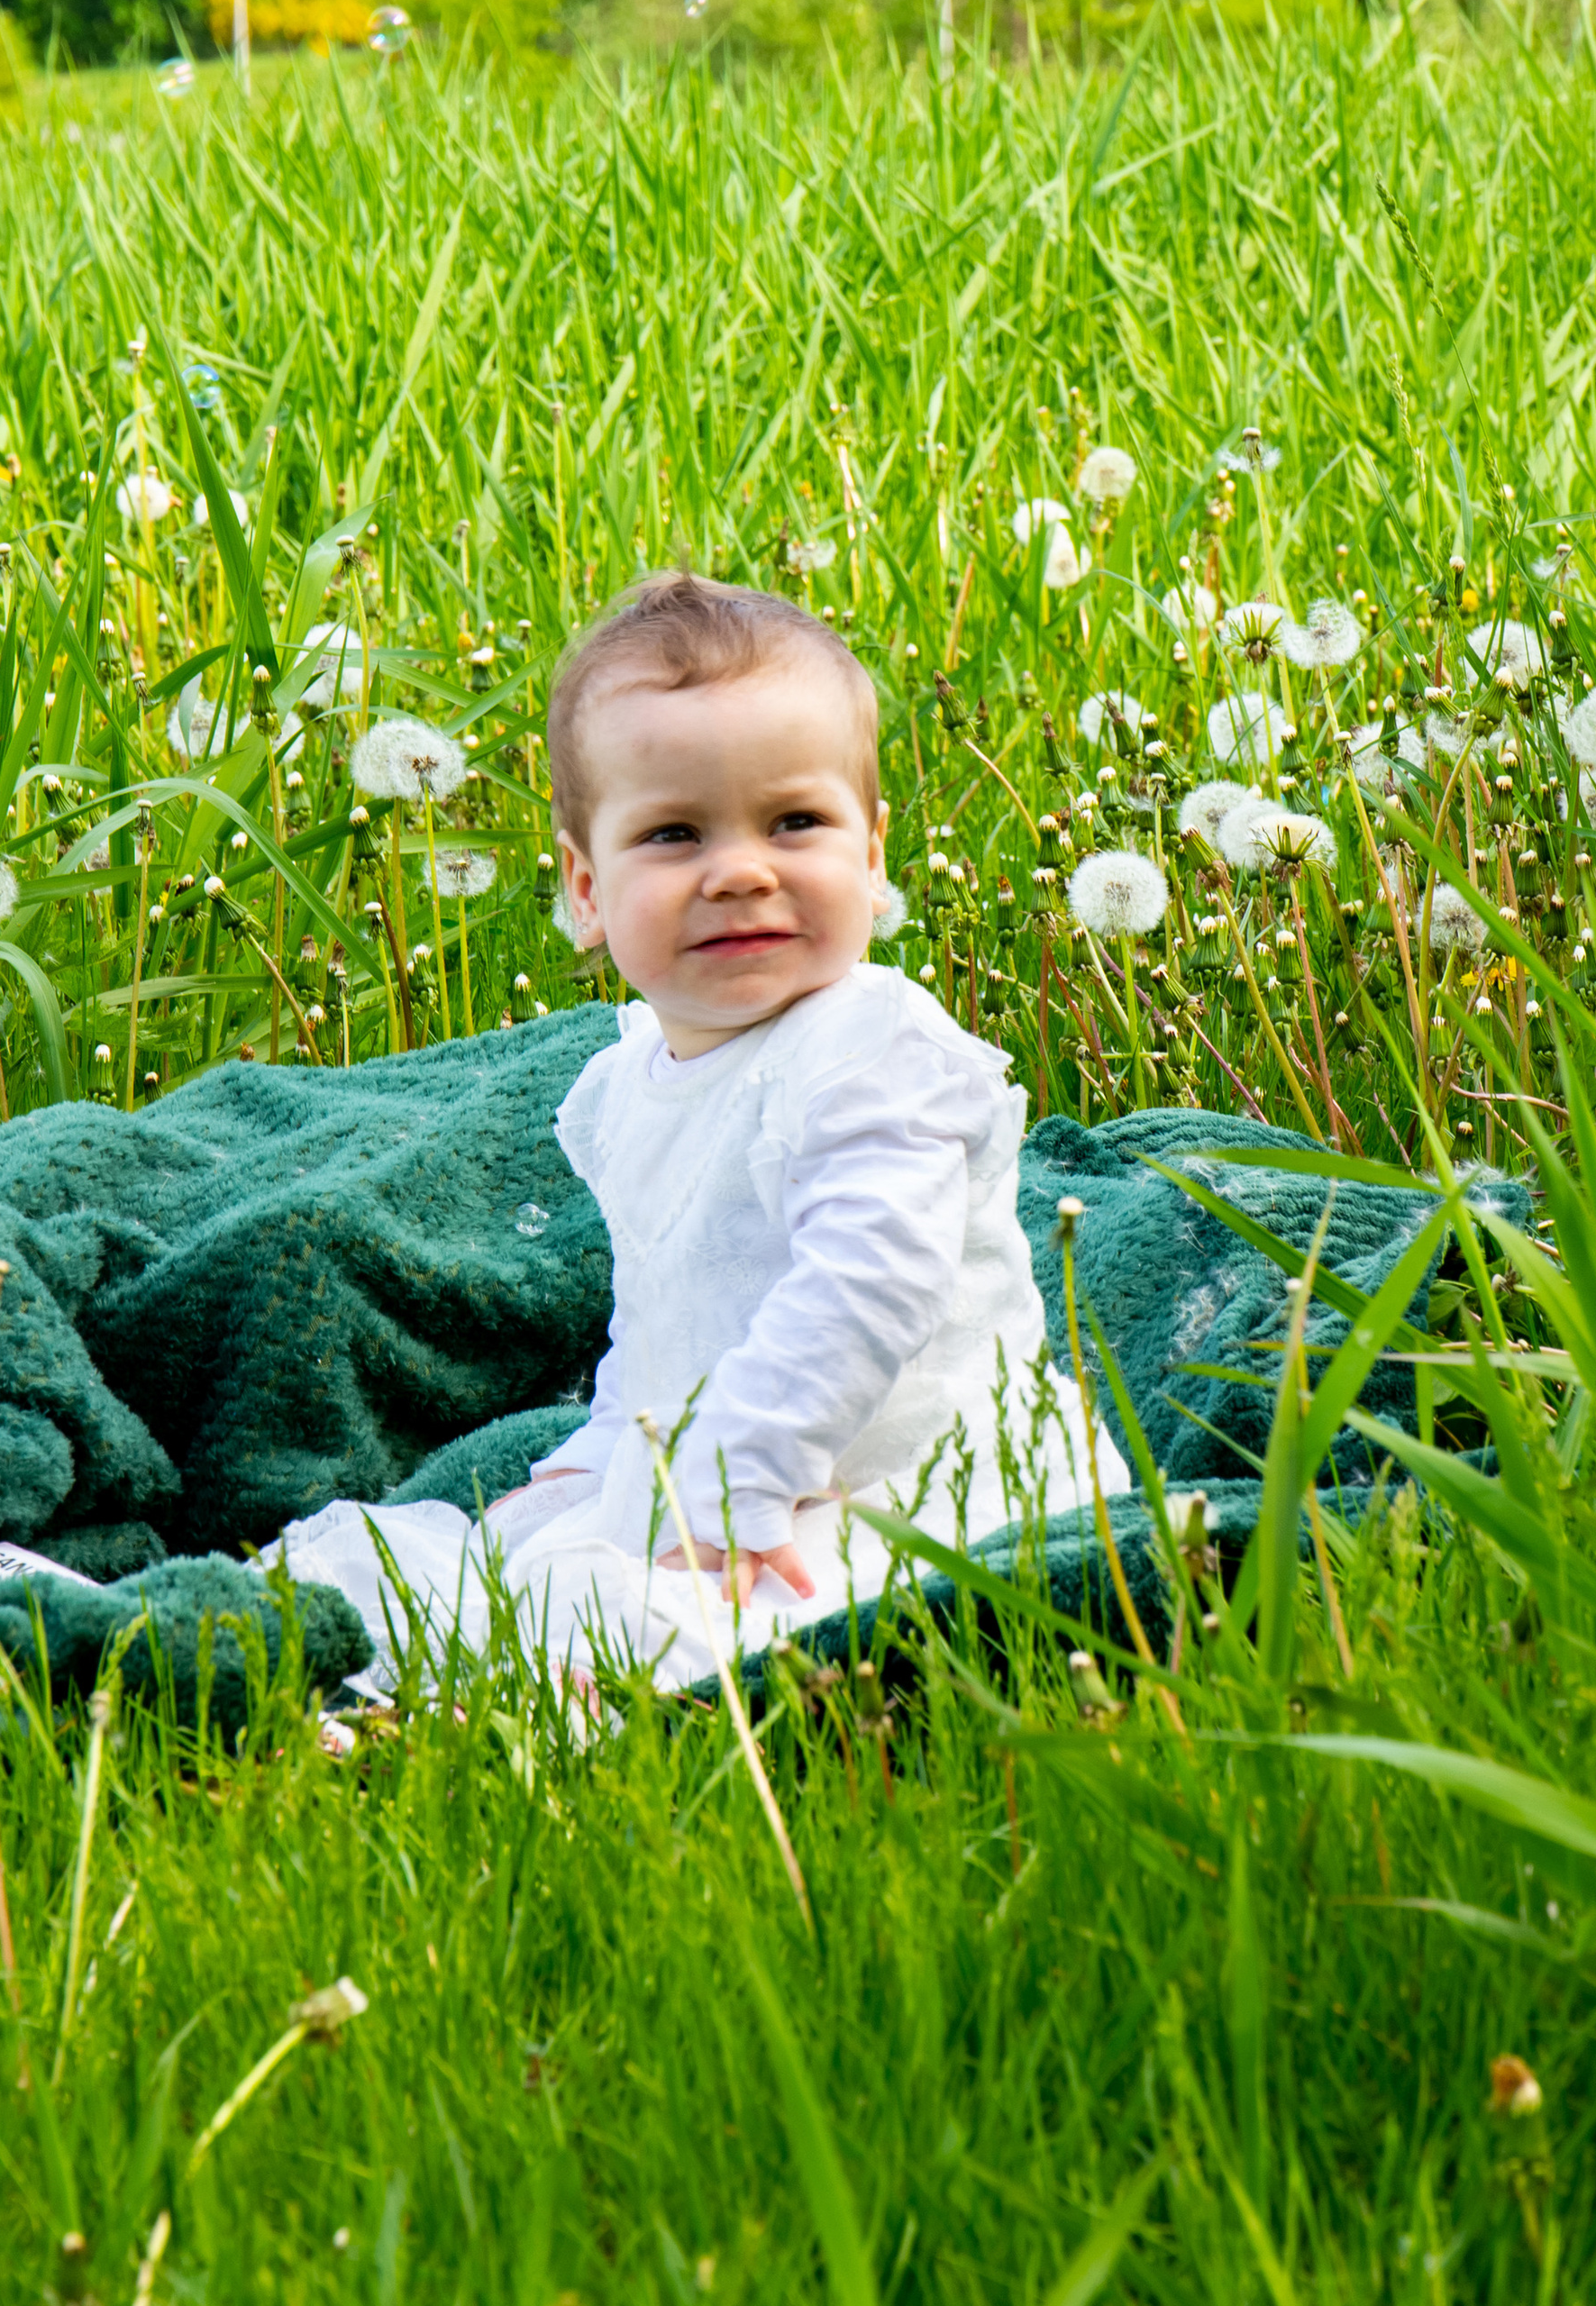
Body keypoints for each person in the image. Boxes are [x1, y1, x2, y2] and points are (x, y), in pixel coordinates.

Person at [267, 572, 1126, 1689]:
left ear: (870, 856)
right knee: (489, 1573)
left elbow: (870, 1283)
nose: (739, 871)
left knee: (647, 1636)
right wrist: (603, 1454)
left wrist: (742, 1473)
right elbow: (663, 1309)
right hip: (722, 1467)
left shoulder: (870, 1050)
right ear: (585, 888)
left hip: (914, 1485)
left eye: (794, 823)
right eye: (674, 835)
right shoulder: (627, 1085)